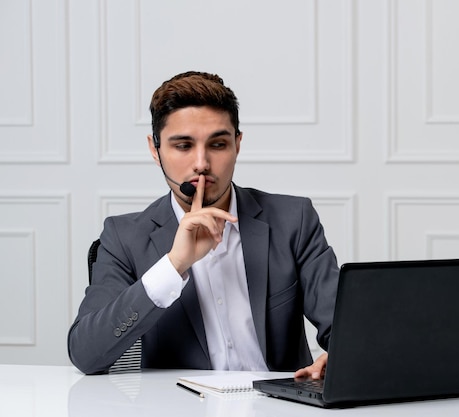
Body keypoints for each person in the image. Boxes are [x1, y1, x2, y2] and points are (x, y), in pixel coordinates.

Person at [67, 71, 339, 378]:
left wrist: (342, 357)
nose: (201, 163)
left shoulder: (294, 219)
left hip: (280, 406)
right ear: (155, 150)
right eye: (183, 146)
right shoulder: (124, 237)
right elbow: (86, 354)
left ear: (237, 144)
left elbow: (344, 328)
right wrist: (174, 264)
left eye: (218, 144)